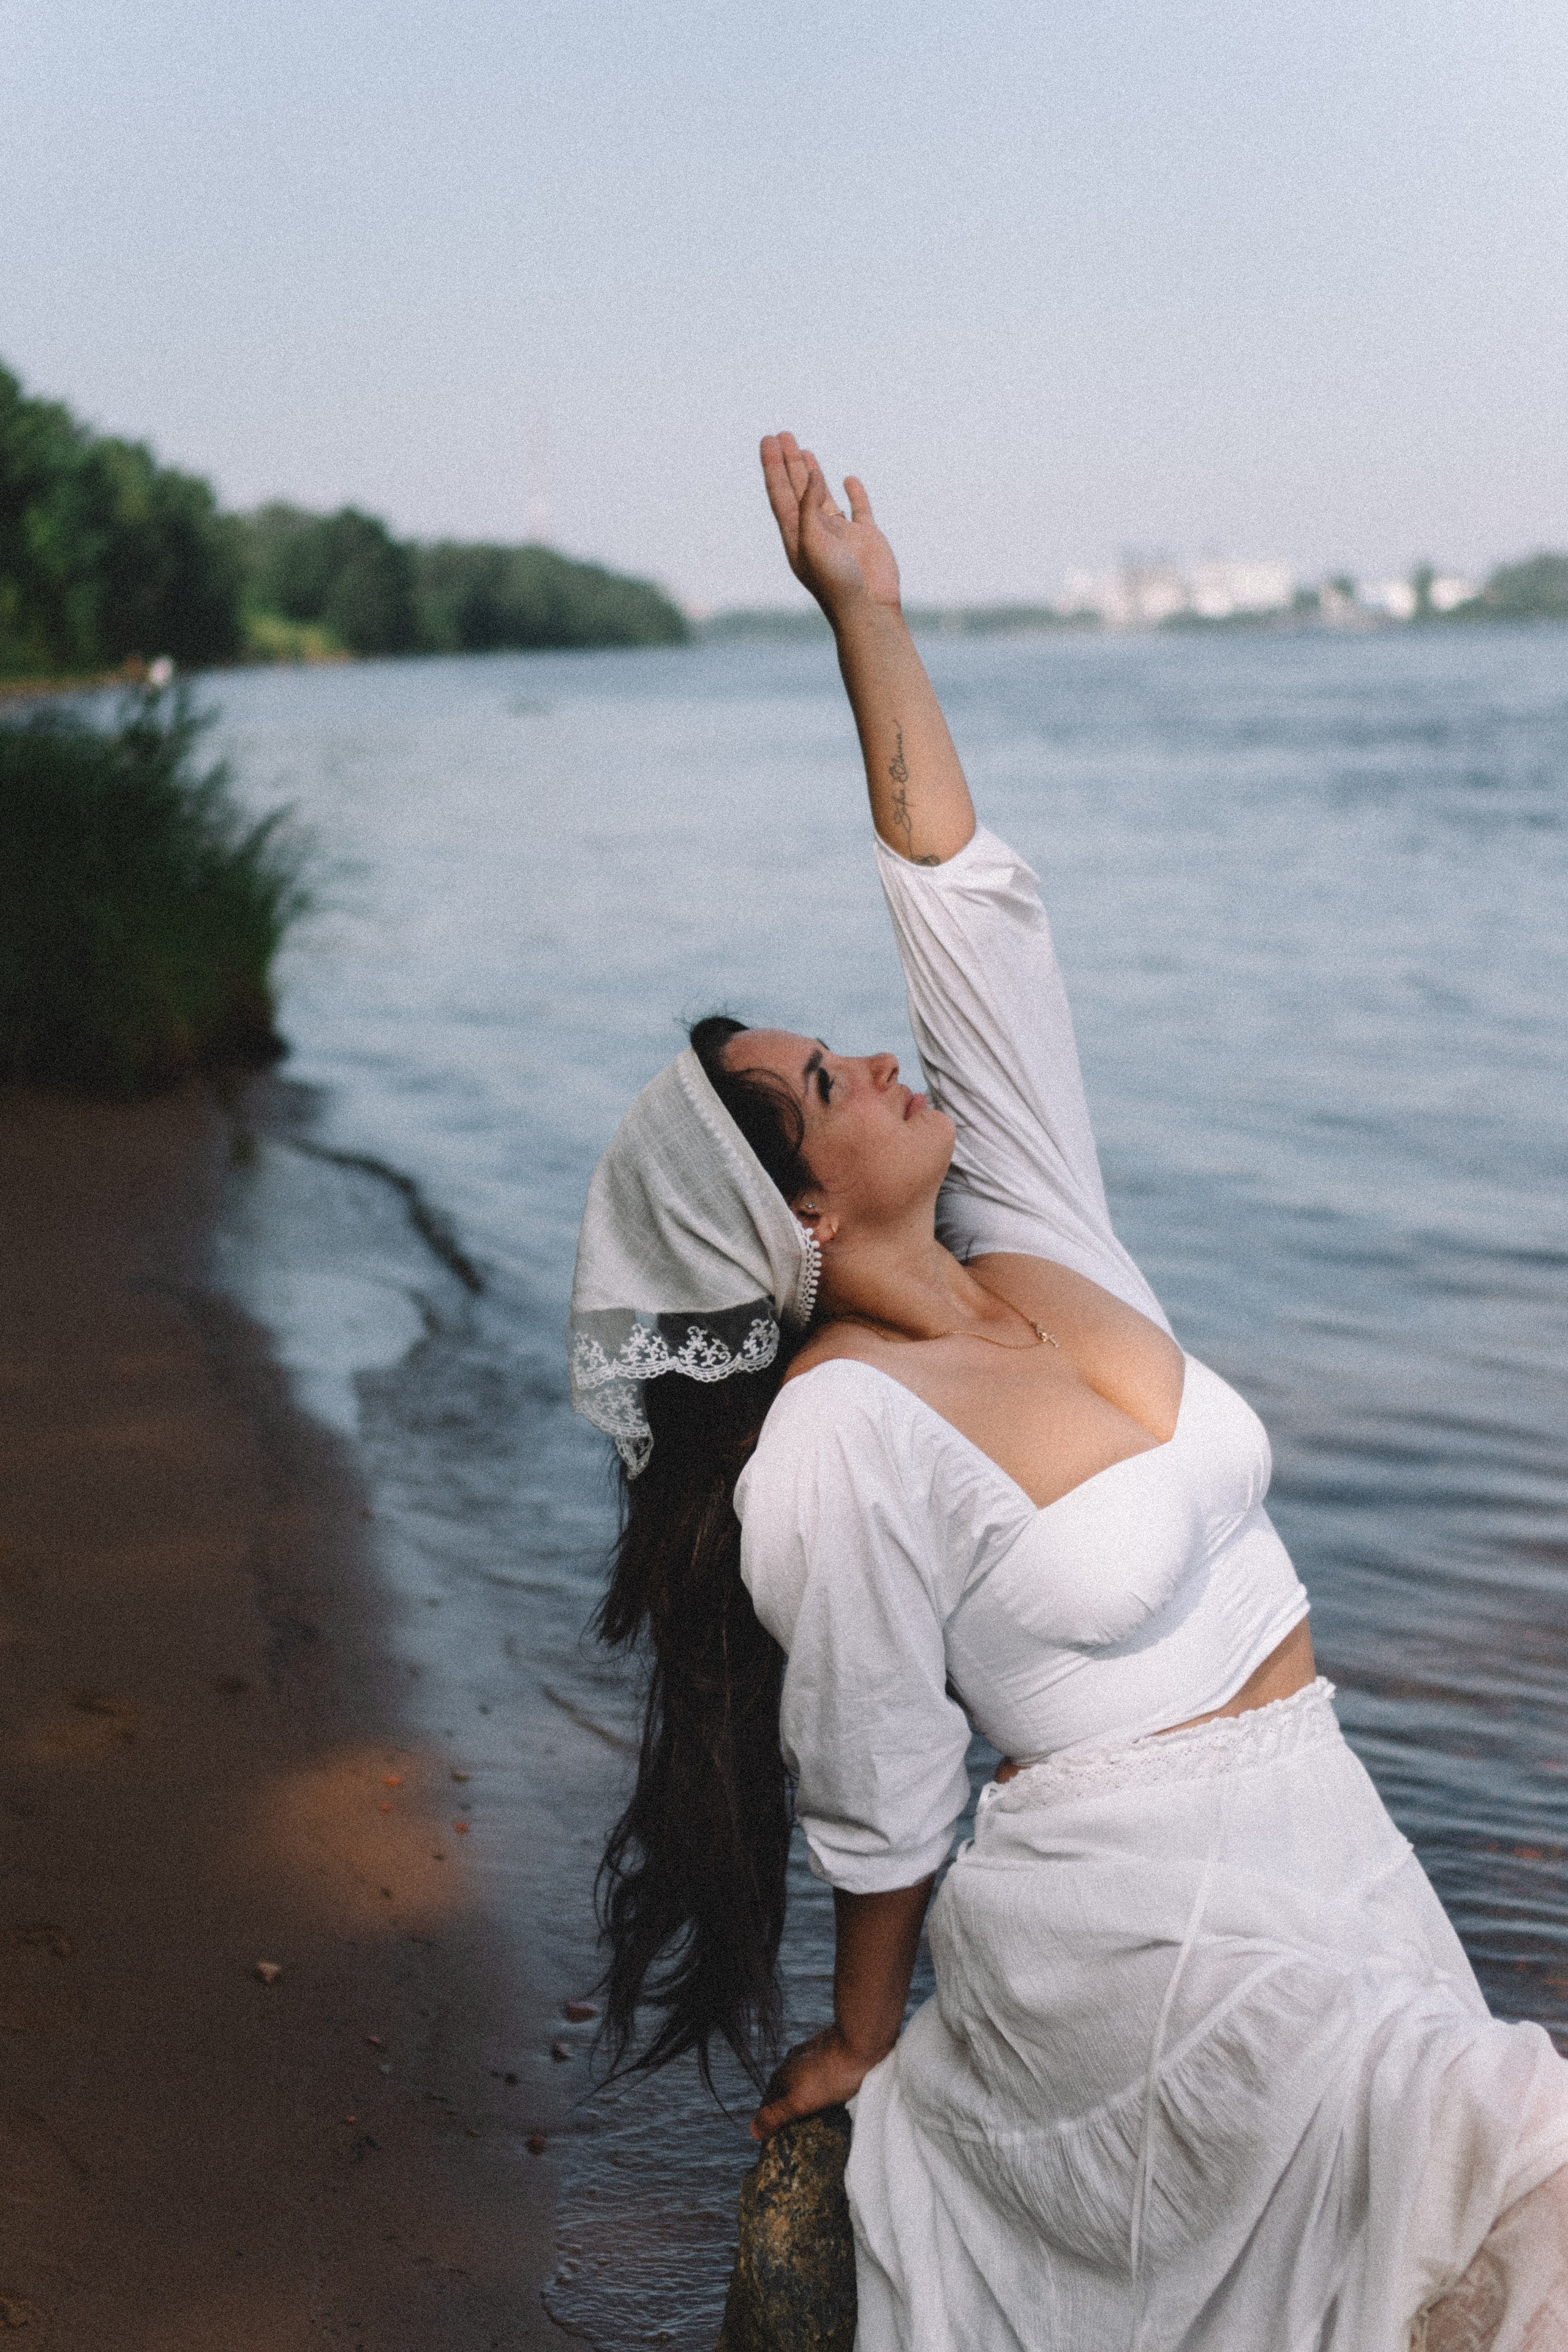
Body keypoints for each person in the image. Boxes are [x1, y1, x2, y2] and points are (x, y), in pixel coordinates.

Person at [568, 432, 1568, 2350]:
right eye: (822, 1085)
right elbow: (875, 1783)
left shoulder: (1041, 1224)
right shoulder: (833, 1443)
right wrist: (870, 2042)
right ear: (786, 1211)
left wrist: (864, 612)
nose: (870, 1057)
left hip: (1337, 1846)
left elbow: (966, 901)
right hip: (1137, 1923)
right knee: (1520, 2167)